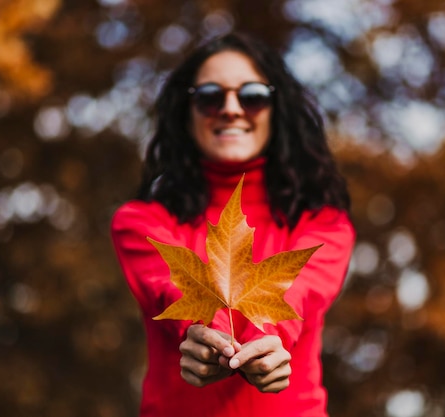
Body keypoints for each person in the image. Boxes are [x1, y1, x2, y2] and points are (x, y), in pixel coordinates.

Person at [111, 32, 355, 417]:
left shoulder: (323, 222)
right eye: (210, 96)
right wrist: (199, 334)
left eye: (252, 95)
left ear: (276, 109)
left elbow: (301, 289)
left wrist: (270, 338)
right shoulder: (141, 221)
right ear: (186, 112)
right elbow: (169, 284)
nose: (230, 108)